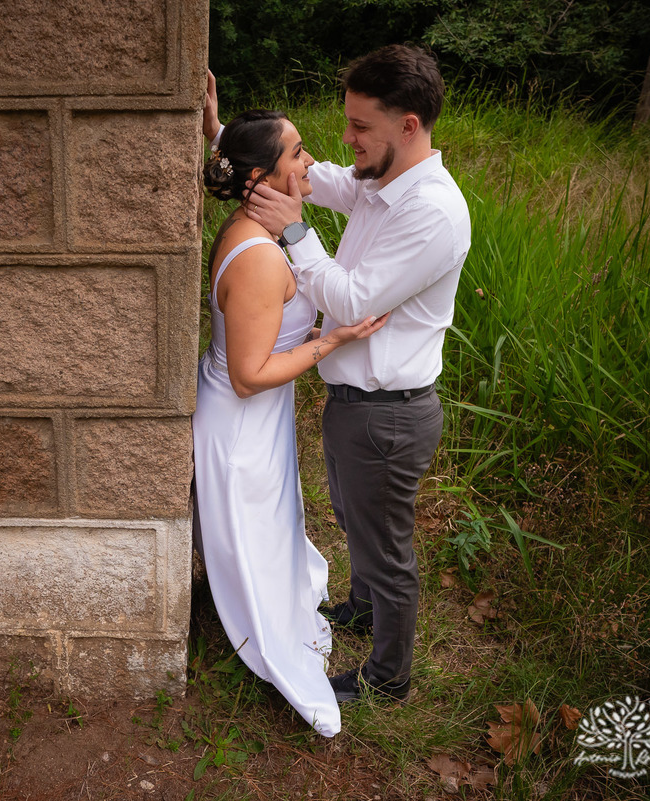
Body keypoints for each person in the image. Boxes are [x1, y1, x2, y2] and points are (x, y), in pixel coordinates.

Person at [204, 45, 471, 704]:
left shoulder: (433, 211)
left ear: (408, 125)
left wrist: (296, 235)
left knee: (387, 544)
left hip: (390, 409)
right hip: (356, 402)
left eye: (359, 127)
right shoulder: (380, 180)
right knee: (356, 517)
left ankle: (388, 677)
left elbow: (352, 300)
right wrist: (222, 142)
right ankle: (361, 606)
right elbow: (308, 177)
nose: (344, 140)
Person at [193, 108, 387, 737]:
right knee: (255, 536)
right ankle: (261, 631)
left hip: (260, 419)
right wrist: (332, 341)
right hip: (241, 424)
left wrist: (216, 128)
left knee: (275, 526)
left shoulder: (260, 229)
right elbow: (249, 374)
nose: (310, 162)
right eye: (298, 153)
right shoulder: (258, 258)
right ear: (262, 176)